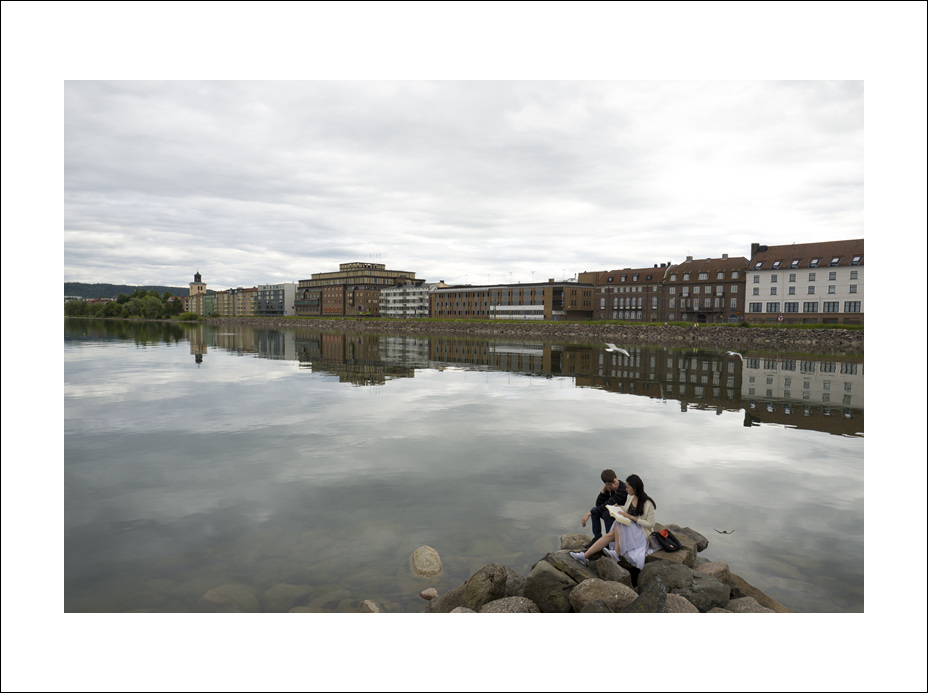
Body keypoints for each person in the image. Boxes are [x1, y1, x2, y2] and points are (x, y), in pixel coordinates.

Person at [570, 474, 656, 571]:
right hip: (629, 527)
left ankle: (616, 552)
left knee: (618, 523)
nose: (626, 489)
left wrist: (632, 517)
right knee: (610, 535)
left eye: (628, 487)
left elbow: (651, 524)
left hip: (641, 533)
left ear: (635, 488)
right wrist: (620, 507)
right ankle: (584, 556)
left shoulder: (648, 503)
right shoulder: (630, 496)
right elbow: (627, 509)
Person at [581, 469, 628, 547]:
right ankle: (597, 538)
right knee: (594, 510)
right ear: (605, 484)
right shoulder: (611, 489)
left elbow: (608, 504)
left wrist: (588, 514)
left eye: (614, 482)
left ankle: (609, 541)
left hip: (626, 517)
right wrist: (603, 492)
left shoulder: (623, 489)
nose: (613, 486)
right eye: (609, 484)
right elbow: (598, 505)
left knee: (606, 513)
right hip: (616, 515)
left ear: (616, 477)